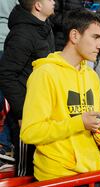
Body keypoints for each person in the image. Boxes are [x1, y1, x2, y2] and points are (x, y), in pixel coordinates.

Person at [20, 9, 100, 187]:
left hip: (89, 176)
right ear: (74, 36)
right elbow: (30, 132)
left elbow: (92, 125)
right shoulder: (45, 74)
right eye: (95, 37)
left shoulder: (92, 76)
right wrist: (78, 122)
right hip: (57, 181)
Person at [0, 0, 55, 176]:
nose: (54, 1)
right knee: (27, 172)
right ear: (38, 6)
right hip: (27, 116)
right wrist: (23, 112)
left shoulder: (45, 28)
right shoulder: (22, 34)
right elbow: (6, 75)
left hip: (44, 111)